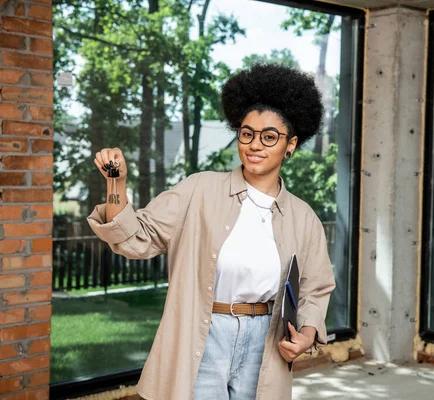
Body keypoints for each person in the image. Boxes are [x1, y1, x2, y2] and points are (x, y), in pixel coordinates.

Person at [87, 64, 336, 400]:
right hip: (204, 334)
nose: (255, 145)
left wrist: (306, 332)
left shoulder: (304, 218)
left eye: (269, 136)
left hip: (266, 339)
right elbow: (136, 238)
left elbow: (315, 288)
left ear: (290, 145)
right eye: (247, 133)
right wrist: (116, 185)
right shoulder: (199, 190)